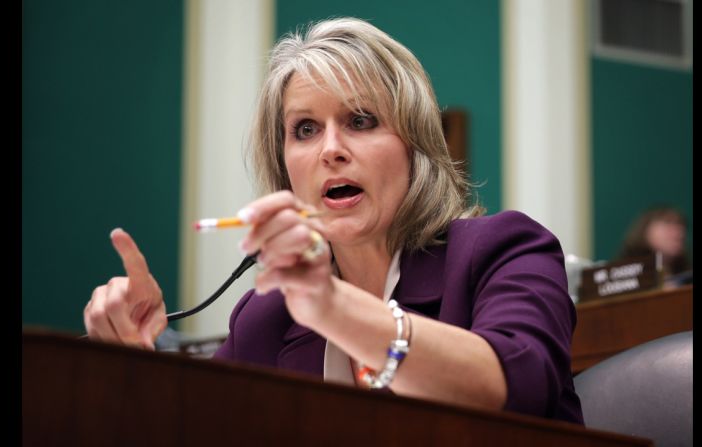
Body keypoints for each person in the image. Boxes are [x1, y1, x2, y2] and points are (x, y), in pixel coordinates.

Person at [84, 17, 583, 424]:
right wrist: (138, 365)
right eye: (304, 129)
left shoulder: (504, 250)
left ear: (416, 146)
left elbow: (515, 390)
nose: (330, 150)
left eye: (360, 121)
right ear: (285, 169)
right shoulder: (267, 316)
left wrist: (332, 306)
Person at [617, 206, 692, 286]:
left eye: (681, 226)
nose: (679, 233)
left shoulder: (688, 276)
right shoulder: (620, 277)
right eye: (668, 223)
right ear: (644, 230)